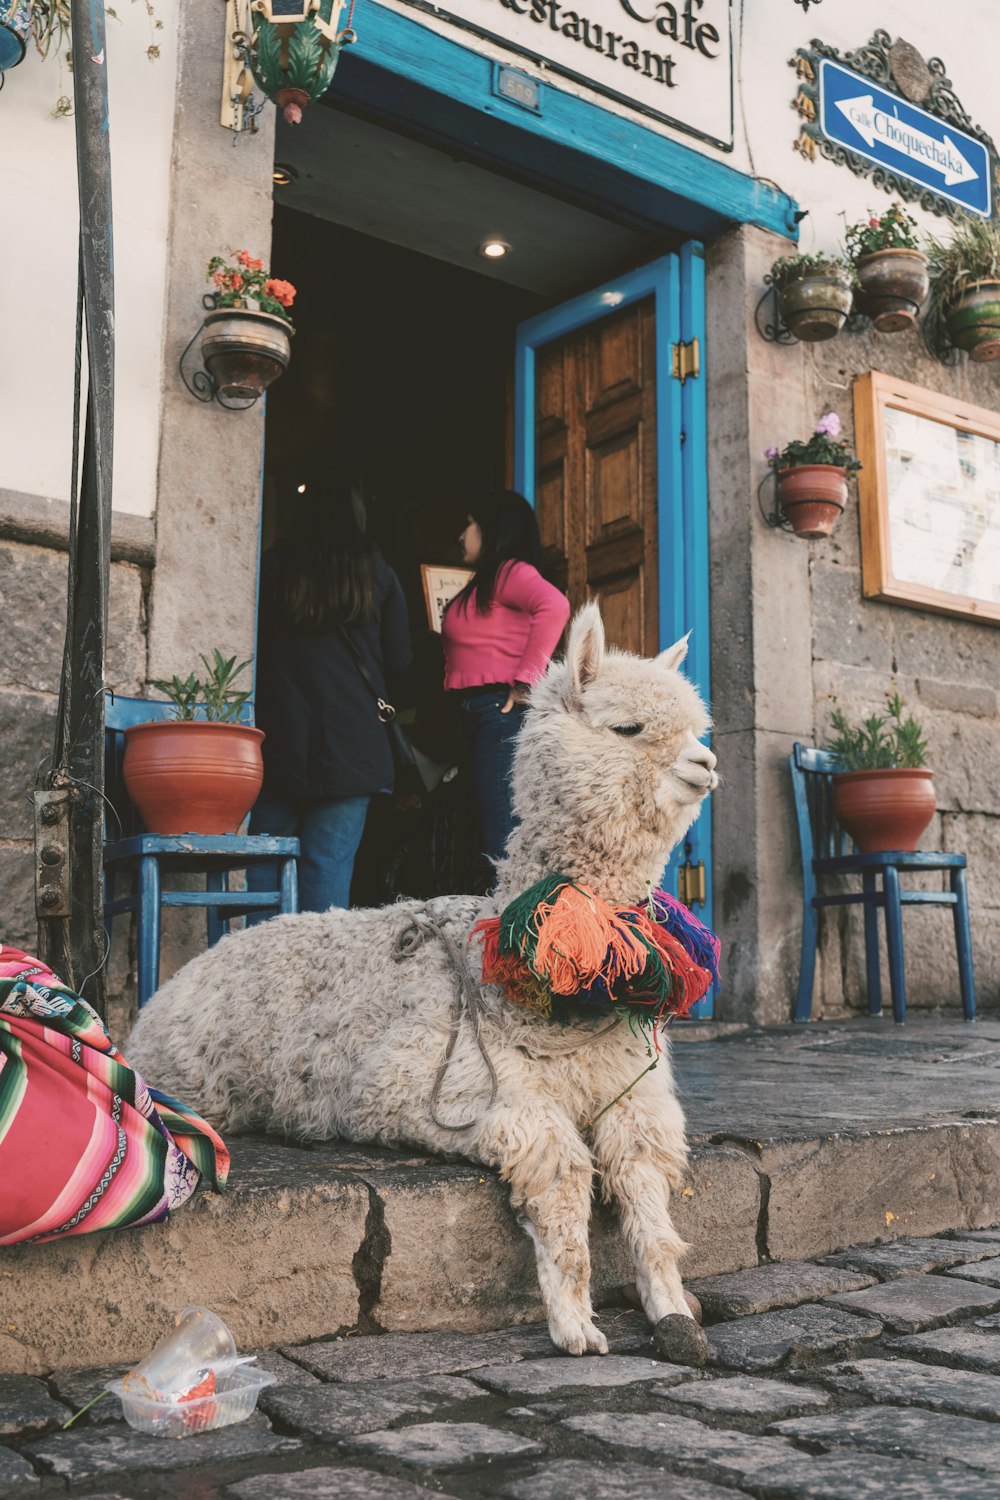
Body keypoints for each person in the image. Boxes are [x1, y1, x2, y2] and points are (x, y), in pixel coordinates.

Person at [247, 475, 412, 913]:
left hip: (279, 743)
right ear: (357, 516)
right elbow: (400, 660)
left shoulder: (274, 567)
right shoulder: (377, 573)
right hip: (353, 747)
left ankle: (258, 978)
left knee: (264, 876)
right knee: (329, 876)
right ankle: (319, 982)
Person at [441, 489, 570, 883]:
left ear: (491, 527)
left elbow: (555, 605)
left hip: (500, 716)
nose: (462, 535)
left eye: (469, 524)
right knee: (489, 838)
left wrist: (527, 680)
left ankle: (518, 936)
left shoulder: (508, 572)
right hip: (481, 716)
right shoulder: (487, 582)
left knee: (503, 840)